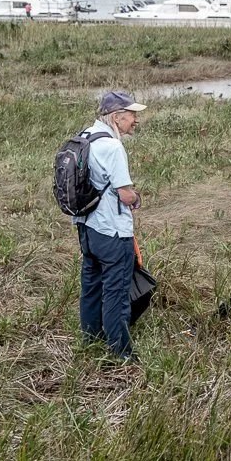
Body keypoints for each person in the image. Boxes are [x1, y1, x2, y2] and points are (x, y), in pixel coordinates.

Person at [73, 90, 147, 363]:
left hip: (87, 228)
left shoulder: (85, 136)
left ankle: (90, 339)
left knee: (91, 286)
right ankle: (122, 353)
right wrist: (137, 199)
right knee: (116, 293)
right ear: (116, 117)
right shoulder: (113, 147)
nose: (136, 121)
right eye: (132, 115)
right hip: (113, 232)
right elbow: (125, 194)